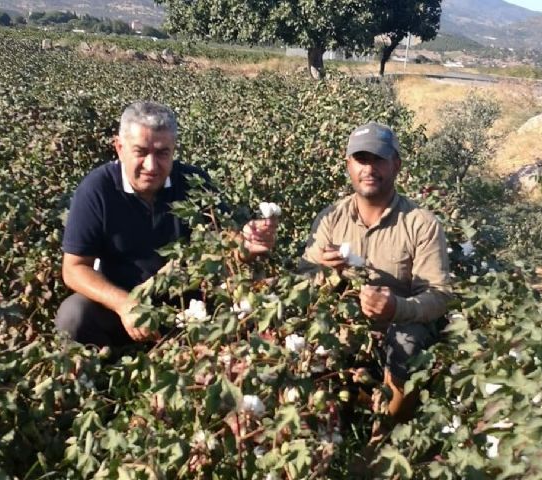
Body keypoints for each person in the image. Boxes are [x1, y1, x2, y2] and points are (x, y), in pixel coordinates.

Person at [55, 101, 277, 347]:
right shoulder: (96, 190)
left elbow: (226, 244)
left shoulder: (194, 183)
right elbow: (74, 269)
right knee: (74, 316)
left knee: (258, 305)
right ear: (119, 147)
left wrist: (247, 243)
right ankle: (99, 378)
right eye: (141, 152)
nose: (151, 166)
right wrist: (125, 304)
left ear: (174, 150)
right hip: (120, 305)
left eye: (162, 153)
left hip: (189, 307)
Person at [299, 121, 452, 418]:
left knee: (406, 340)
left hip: (398, 328)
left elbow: (439, 294)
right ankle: (328, 421)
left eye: (378, 159)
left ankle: (383, 436)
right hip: (346, 323)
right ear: (348, 165)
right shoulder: (331, 218)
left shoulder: (421, 223)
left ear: (396, 165)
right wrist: (325, 272)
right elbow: (302, 277)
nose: (369, 169)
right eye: (361, 159)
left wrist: (397, 308)